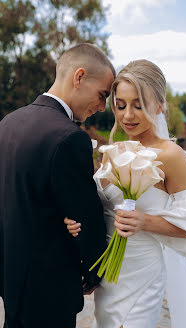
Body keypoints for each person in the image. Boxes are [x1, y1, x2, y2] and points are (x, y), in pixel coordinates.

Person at [65, 59, 186, 328]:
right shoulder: (113, 152)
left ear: (159, 104)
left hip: (142, 273)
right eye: (121, 105)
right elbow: (100, 211)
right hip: (107, 275)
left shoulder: (172, 156)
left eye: (139, 105)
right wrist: (74, 221)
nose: (127, 115)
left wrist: (144, 222)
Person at [0, 43, 115, 328]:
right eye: (102, 95)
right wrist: (94, 271)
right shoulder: (68, 137)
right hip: (48, 288)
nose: (102, 107)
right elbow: (85, 215)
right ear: (79, 77)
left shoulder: (7, 124)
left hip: (10, 277)